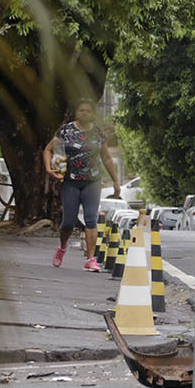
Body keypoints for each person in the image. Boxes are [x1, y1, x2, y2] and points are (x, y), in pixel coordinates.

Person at [43, 98, 119, 271]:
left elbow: (106, 157)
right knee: (68, 222)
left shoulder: (98, 133)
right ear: (76, 113)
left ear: (93, 114)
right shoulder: (66, 130)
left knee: (91, 218)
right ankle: (62, 248)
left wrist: (115, 181)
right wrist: (48, 168)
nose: (84, 113)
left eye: (87, 111)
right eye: (81, 110)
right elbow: (48, 149)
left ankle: (91, 259)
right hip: (70, 181)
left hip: (92, 181)